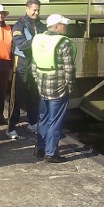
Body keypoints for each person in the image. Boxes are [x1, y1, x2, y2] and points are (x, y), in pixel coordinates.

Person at [31, 14, 77, 163]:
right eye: (64, 25)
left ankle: (41, 149)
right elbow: (69, 68)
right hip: (58, 88)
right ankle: (51, 153)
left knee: (43, 118)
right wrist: (70, 86)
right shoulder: (63, 43)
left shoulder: (38, 39)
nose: (66, 27)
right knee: (55, 120)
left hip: (42, 86)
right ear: (56, 26)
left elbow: (34, 64)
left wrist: (38, 81)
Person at [8, 0, 46, 139]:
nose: (36, 12)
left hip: (35, 64)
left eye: (38, 10)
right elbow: (21, 44)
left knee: (34, 95)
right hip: (21, 64)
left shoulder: (42, 26)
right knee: (16, 96)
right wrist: (38, 40)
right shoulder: (19, 25)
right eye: (34, 10)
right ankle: (11, 127)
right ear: (27, 9)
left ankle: (33, 122)